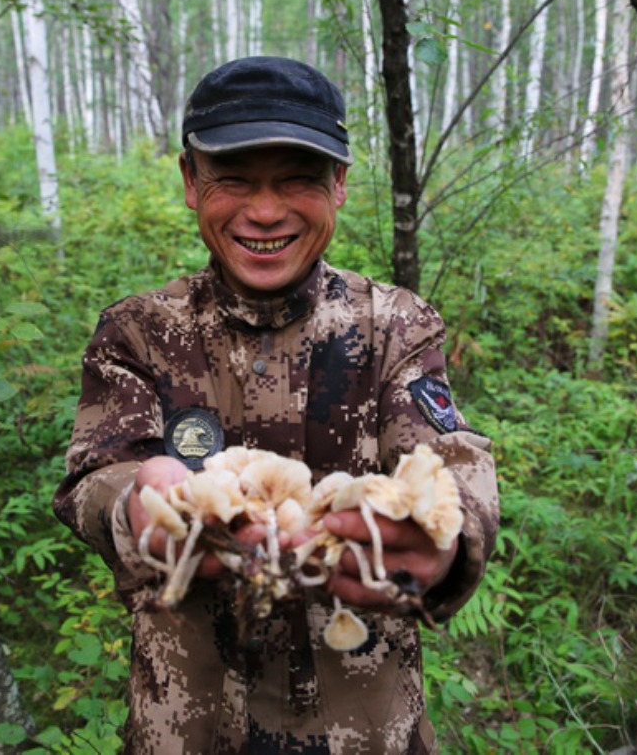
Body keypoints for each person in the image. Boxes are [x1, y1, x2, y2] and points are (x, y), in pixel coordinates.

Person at [54, 56, 498, 754]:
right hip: (192, 726)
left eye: (297, 179)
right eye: (234, 179)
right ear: (191, 181)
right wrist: (135, 509)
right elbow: (95, 474)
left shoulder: (394, 326)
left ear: (340, 185)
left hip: (364, 727)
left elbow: (450, 458)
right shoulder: (140, 331)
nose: (265, 211)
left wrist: (446, 538)